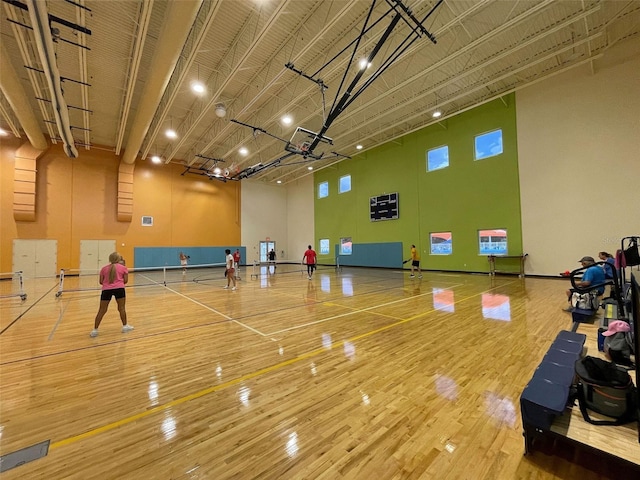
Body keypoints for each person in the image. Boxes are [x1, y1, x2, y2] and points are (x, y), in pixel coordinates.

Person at [91, 252, 133, 337]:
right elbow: (125, 281)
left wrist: (108, 284)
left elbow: (101, 282)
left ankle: (95, 330)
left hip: (106, 290)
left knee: (102, 310)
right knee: (121, 308)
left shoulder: (103, 269)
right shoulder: (123, 268)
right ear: (118, 259)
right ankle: (125, 326)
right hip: (119, 289)